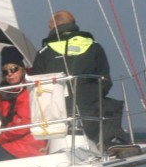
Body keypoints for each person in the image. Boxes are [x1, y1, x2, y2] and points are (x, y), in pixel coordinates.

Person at [30, 10, 123, 147]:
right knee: (110, 106)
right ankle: (111, 144)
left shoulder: (45, 52)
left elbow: (35, 85)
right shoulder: (93, 47)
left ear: (53, 27)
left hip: (55, 116)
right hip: (91, 112)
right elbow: (105, 81)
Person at [0, 46, 47, 162]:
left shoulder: (28, 90)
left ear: (22, 69)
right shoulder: (8, 91)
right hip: (17, 143)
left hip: (30, 144)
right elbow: (9, 117)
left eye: (13, 69)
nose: (9, 74)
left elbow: (22, 125)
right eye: (5, 71)